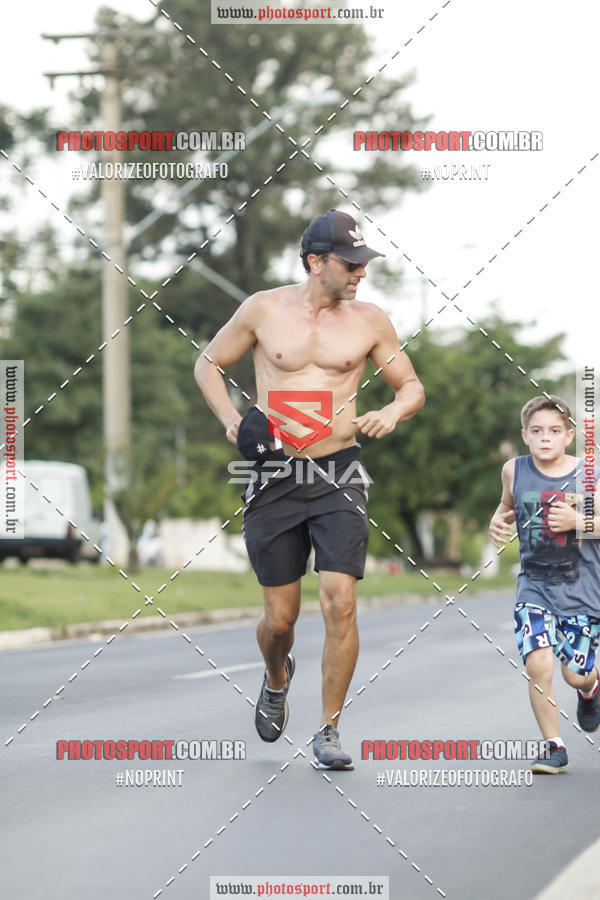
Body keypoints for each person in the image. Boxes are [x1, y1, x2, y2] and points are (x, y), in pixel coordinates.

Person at [195, 209, 424, 768]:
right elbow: (208, 363)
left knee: (340, 601)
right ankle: (277, 675)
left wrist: (393, 412)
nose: (359, 274)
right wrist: (231, 420)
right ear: (315, 261)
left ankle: (329, 729)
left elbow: (411, 385)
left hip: (338, 471)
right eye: (350, 264)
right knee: (280, 621)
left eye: (363, 264)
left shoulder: (369, 321)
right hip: (273, 474)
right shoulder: (263, 310)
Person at [489, 395, 600, 773]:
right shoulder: (514, 470)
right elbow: (506, 505)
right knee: (539, 666)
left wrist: (577, 522)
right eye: (537, 431)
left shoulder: (590, 472)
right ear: (525, 436)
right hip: (534, 587)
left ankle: (589, 690)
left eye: (554, 431)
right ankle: (554, 747)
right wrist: (498, 521)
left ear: (569, 435)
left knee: (575, 674)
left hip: (583, 590)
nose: (545, 438)